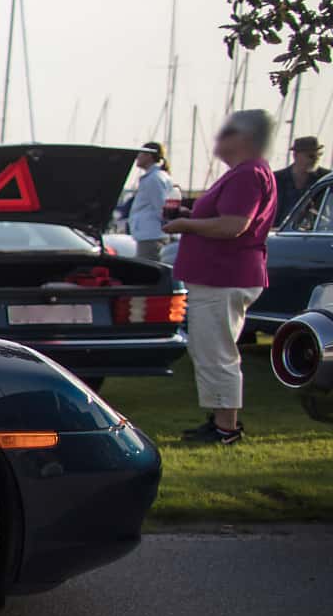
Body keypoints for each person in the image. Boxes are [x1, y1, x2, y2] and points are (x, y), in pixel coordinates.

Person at [162, 109, 280, 445]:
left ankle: (226, 428)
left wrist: (185, 225)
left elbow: (233, 225)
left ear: (244, 139)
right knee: (210, 349)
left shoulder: (247, 175)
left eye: (226, 134)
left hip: (223, 276)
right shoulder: (248, 173)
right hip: (222, 275)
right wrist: (190, 216)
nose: (218, 140)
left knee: (217, 351)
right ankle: (219, 419)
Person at [131, 141, 172, 262]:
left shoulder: (154, 178)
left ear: (149, 155)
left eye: (140, 153)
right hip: (151, 235)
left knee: (147, 273)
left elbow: (162, 208)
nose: (137, 157)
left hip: (151, 236)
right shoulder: (157, 176)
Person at [276, 135, 321, 222]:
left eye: (319, 155)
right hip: (279, 231)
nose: (316, 159)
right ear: (295, 155)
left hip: (314, 232)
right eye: (311, 156)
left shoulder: (324, 178)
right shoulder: (277, 179)